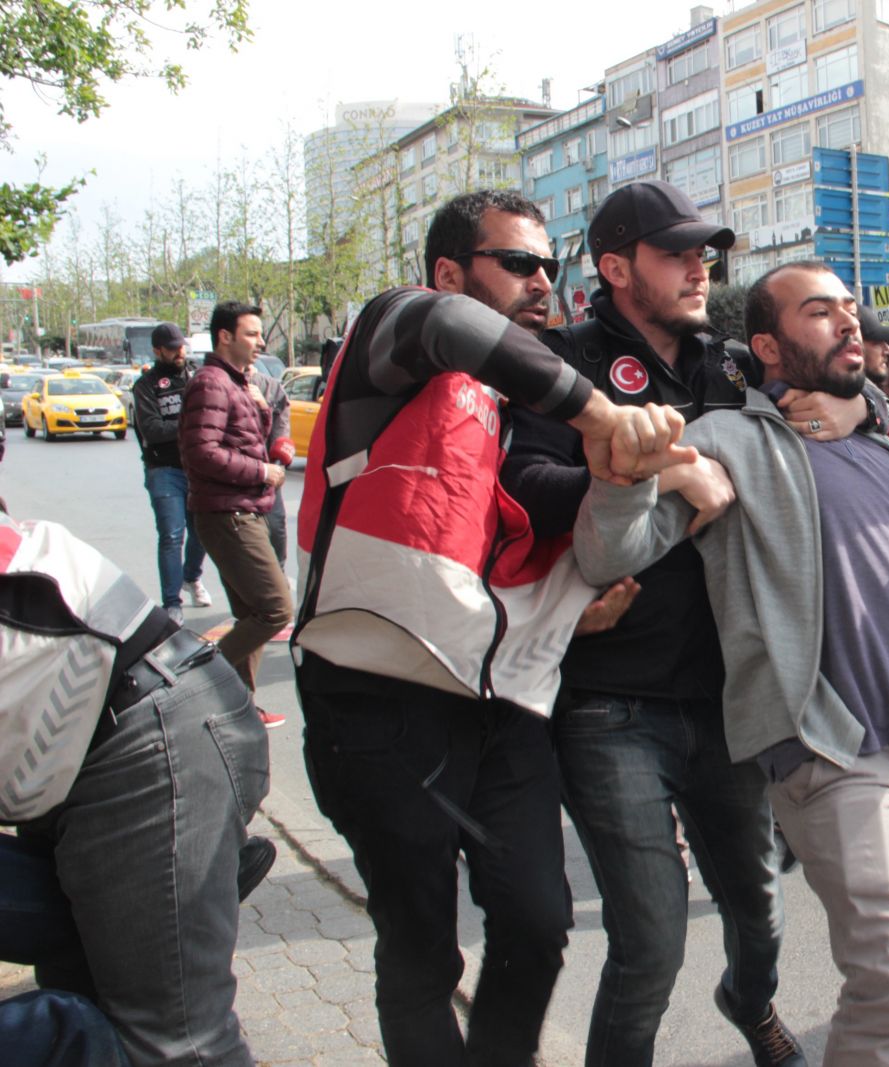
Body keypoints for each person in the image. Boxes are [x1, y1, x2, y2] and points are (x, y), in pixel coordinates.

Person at [292, 188, 693, 1067]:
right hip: (375, 702)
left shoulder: (522, 409)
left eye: (550, 265)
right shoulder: (395, 341)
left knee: (537, 925)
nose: (542, 281)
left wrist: (637, 479)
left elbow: (538, 526)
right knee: (422, 946)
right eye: (517, 263)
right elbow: (451, 328)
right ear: (449, 270)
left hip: (505, 703)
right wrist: (600, 415)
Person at [574, 261, 889, 1067]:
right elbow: (609, 552)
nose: (849, 322)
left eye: (850, 307)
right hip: (839, 748)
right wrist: (634, 472)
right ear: (767, 345)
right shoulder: (730, 439)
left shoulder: (887, 439)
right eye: (820, 312)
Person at [500, 179, 821, 1067]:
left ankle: (749, 1004)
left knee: (760, 912)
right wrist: (657, 471)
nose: (698, 266)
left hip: (728, 695)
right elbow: (520, 487)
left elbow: (807, 431)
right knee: (650, 939)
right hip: (610, 703)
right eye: (676, 252)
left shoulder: (727, 362)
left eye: (703, 252)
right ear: (614, 267)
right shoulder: (562, 364)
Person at [1, 496, 270, 1066]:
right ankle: (153, 903)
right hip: (57, 747)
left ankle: (159, 901)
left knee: (175, 1045)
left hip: (140, 729)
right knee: (83, 982)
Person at [179, 301, 293, 729]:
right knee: (276, 609)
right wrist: (262, 471)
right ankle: (197, 685)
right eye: (251, 333)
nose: (261, 341)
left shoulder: (240, 383)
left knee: (252, 615)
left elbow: (255, 432)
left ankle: (237, 707)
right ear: (224, 336)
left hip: (246, 509)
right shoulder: (211, 383)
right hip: (229, 514)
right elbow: (201, 452)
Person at [131, 321, 212, 624]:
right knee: (171, 535)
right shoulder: (146, 387)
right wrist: (190, 423)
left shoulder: (196, 376)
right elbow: (152, 429)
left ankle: (191, 577)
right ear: (157, 351)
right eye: (173, 348)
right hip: (164, 470)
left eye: (182, 346)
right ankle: (171, 603)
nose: (180, 352)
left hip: (197, 467)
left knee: (203, 531)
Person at [248, 365, 292, 569]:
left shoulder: (272, 388)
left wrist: (276, 466)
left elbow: (282, 432)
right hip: (233, 481)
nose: (259, 343)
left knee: (276, 528)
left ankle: (279, 572)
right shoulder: (215, 384)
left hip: (267, 477)